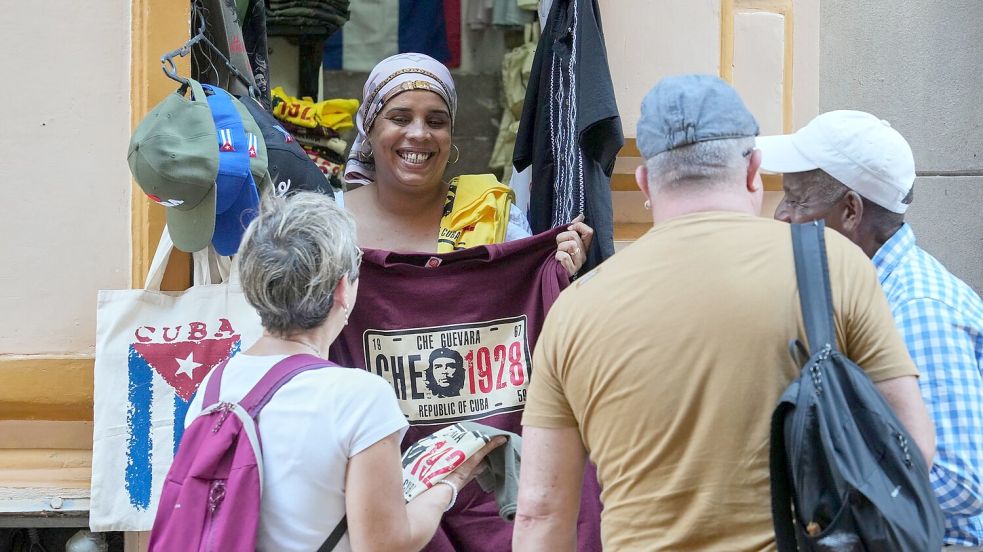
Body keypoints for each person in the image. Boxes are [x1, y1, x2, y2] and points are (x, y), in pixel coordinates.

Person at [513, 75, 935, 551]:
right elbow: (913, 448)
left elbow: (540, 512)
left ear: (646, 182)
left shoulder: (574, 308)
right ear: (754, 170)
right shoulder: (833, 264)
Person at [185, 192, 503, 552]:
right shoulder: (360, 397)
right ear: (342, 289)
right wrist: (451, 483)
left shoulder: (214, 386)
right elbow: (386, 545)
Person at [759, 110, 983, 548]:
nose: (781, 215)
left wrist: (829, 487)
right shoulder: (875, 295)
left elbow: (963, 479)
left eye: (797, 200)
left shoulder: (918, 308)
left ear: (850, 210)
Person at [342, 52, 592, 275]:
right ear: (368, 130)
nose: (419, 134)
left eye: (436, 122)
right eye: (400, 119)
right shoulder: (328, 223)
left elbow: (523, 313)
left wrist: (558, 275)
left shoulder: (491, 216)